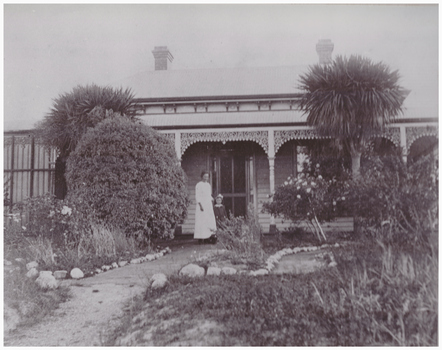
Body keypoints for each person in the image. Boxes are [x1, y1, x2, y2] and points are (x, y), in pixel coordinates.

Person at [194, 171, 217, 244]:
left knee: (208, 220)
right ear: (202, 176)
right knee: (201, 221)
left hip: (208, 205)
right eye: (205, 176)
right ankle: (200, 238)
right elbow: (197, 196)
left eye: (207, 177)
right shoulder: (198, 185)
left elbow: (208, 195)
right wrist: (200, 205)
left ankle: (207, 237)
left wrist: (211, 199)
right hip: (202, 205)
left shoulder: (208, 185)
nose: (206, 178)